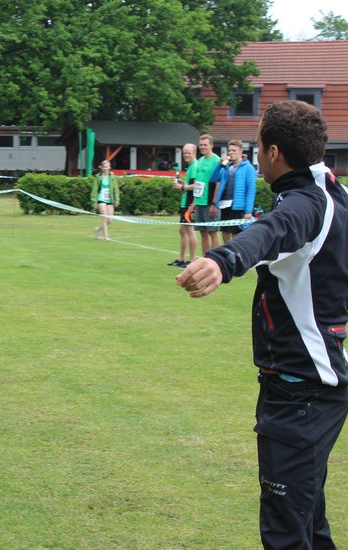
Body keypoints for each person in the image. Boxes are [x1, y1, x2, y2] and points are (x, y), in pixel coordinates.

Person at [176, 100, 348, 549]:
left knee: (287, 532)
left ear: (274, 153)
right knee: (308, 521)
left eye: (257, 148)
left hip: (301, 393)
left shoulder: (306, 204)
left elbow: (271, 230)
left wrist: (223, 259)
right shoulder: (330, 192)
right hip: (315, 384)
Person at [211, 140, 257, 243]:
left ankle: (236, 256)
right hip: (225, 205)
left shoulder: (248, 168)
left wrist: (248, 211)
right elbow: (213, 178)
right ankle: (227, 254)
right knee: (225, 232)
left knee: (237, 235)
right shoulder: (226, 167)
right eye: (229, 150)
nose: (231, 152)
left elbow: (251, 190)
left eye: (234, 150)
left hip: (238, 207)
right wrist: (220, 165)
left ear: (240, 152)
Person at [188, 134, 221, 255]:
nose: (202, 147)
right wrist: (194, 202)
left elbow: (218, 183)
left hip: (210, 202)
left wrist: (214, 203)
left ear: (211, 145)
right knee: (203, 233)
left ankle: (216, 259)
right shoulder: (199, 161)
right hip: (199, 202)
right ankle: (205, 258)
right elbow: (197, 183)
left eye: (205, 145)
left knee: (213, 232)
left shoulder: (217, 161)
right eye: (201, 145)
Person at [168, 144, 198, 268]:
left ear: (194, 152)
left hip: (190, 202)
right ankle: (181, 259)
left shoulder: (195, 166)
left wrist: (181, 187)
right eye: (184, 153)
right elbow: (190, 184)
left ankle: (191, 261)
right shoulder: (190, 166)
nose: (186, 155)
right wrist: (182, 183)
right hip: (185, 201)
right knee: (182, 230)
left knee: (189, 230)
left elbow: (196, 185)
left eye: (188, 153)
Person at [91, 160, 120, 241]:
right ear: (102, 167)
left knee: (109, 220)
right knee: (104, 218)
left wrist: (117, 200)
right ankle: (106, 236)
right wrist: (94, 202)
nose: (107, 168)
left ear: (110, 167)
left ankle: (97, 230)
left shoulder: (113, 177)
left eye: (108, 166)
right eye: (105, 167)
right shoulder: (98, 177)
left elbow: (116, 189)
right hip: (101, 199)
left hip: (110, 200)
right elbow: (94, 190)